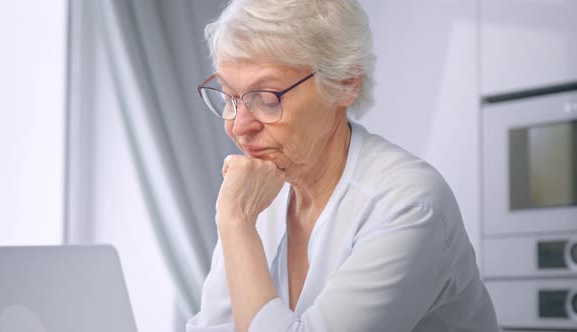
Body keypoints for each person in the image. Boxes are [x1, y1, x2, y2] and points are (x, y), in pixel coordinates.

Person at [186, 0, 499, 331]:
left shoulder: (408, 203)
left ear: (346, 82)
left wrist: (235, 223)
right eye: (228, 98)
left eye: (266, 98)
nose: (239, 126)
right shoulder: (260, 194)